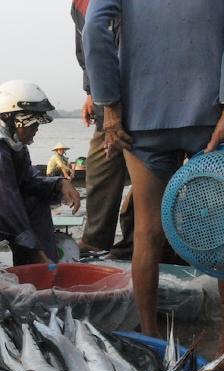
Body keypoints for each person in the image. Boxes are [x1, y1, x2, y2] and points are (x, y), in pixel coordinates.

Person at [83, 0, 224, 341]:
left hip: (143, 116)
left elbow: (93, 26)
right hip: (210, 113)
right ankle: (222, 348)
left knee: (147, 233)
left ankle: (152, 341)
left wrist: (110, 104)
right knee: (220, 234)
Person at [0, 80, 81, 266]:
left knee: (36, 202)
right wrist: (34, 250)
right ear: (13, 120)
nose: (36, 129)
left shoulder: (13, 144)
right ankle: (41, 268)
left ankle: (43, 270)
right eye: (33, 123)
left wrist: (59, 184)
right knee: (26, 232)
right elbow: (5, 210)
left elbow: (28, 181)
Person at [71, 0, 133, 259]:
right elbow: (87, 51)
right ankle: (96, 240)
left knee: (147, 173)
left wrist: (111, 106)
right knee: (99, 167)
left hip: (139, 91)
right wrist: (90, 92)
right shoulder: (78, 5)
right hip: (104, 95)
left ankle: (133, 244)